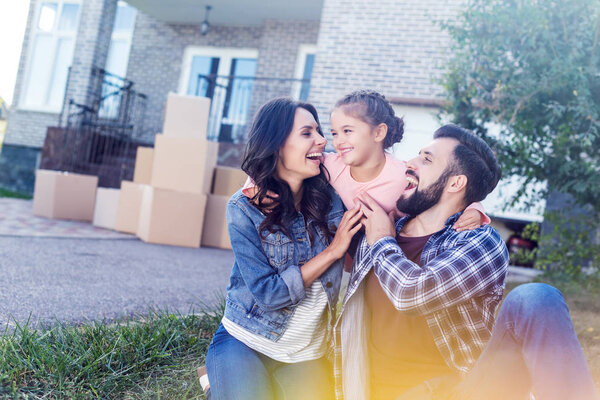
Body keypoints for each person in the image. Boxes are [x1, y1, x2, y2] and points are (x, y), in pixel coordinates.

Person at [335, 124, 599, 400]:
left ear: (455, 183)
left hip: (465, 391)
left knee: (536, 298)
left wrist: (380, 241)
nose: (409, 163)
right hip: (378, 392)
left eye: (426, 159)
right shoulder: (383, 224)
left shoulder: (478, 242)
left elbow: (411, 294)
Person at [203, 98, 363, 400]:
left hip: (305, 354)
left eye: (319, 131)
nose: (322, 140)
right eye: (307, 133)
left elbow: (392, 184)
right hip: (246, 340)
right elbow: (268, 293)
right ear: (277, 145)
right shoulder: (244, 208)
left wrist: (471, 206)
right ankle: (218, 384)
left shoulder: (332, 193)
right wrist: (332, 251)